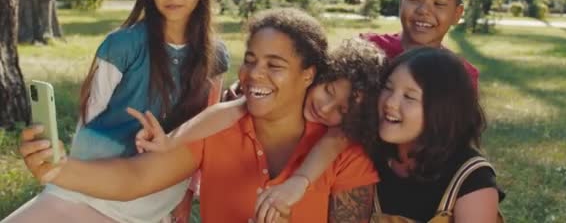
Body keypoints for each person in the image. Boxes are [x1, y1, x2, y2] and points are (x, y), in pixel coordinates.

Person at [17, 8, 379, 223]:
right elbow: (134, 178)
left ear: (309, 75)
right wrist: (59, 169)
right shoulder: (216, 126)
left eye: (275, 65)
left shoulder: (343, 152)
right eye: (250, 60)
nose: (254, 74)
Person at [3, 0, 229, 223]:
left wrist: (185, 197)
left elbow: (203, 136)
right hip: (92, 189)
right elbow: (90, 118)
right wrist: (64, 174)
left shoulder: (216, 55)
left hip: (156, 194)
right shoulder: (120, 46)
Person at [130, 38, 387, 222]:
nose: (325, 107)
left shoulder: (345, 151)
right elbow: (231, 110)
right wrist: (169, 141)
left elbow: (336, 141)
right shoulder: (244, 110)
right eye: (328, 91)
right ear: (315, 75)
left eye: (342, 111)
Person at [373, 47, 502, 222]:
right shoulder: (367, 156)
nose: (390, 102)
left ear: (442, 110)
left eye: (409, 97)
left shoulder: (471, 177)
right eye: (387, 88)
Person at [361, 0, 479, 89]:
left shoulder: (462, 76)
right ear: (401, 3)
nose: (423, 10)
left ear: (457, 14)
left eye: (439, 3)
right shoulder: (369, 50)